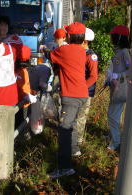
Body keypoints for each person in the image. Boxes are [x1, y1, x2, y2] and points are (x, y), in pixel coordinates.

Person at [42, 22, 88, 178]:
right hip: (82, 95)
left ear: (69, 36)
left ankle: (64, 168)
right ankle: (74, 150)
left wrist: (44, 50)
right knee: (71, 126)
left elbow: (51, 56)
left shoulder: (65, 50)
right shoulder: (82, 51)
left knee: (63, 131)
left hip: (71, 96)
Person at [73, 27, 98, 156]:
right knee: (75, 116)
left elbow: (93, 76)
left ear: (85, 42)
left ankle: (78, 141)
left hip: (86, 92)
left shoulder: (91, 56)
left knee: (81, 117)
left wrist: (83, 87)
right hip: (77, 91)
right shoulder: (80, 53)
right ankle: (74, 140)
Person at [106, 25, 131, 151]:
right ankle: (115, 137)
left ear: (119, 37)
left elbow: (131, 69)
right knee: (114, 115)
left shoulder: (125, 52)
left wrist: (118, 75)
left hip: (121, 89)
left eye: (113, 35)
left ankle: (116, 142)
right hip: (116, 88)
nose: (111, 37)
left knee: (112, 115)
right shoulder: (119, 51)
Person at [15, 45, 37, 128]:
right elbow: (21, 87)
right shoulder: (21, 71)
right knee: (20, 123)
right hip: (21, 103)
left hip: (22, 101)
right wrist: (27, 95)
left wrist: (31, 91)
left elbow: (25, 85)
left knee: (21, 122)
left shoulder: (20, 70)